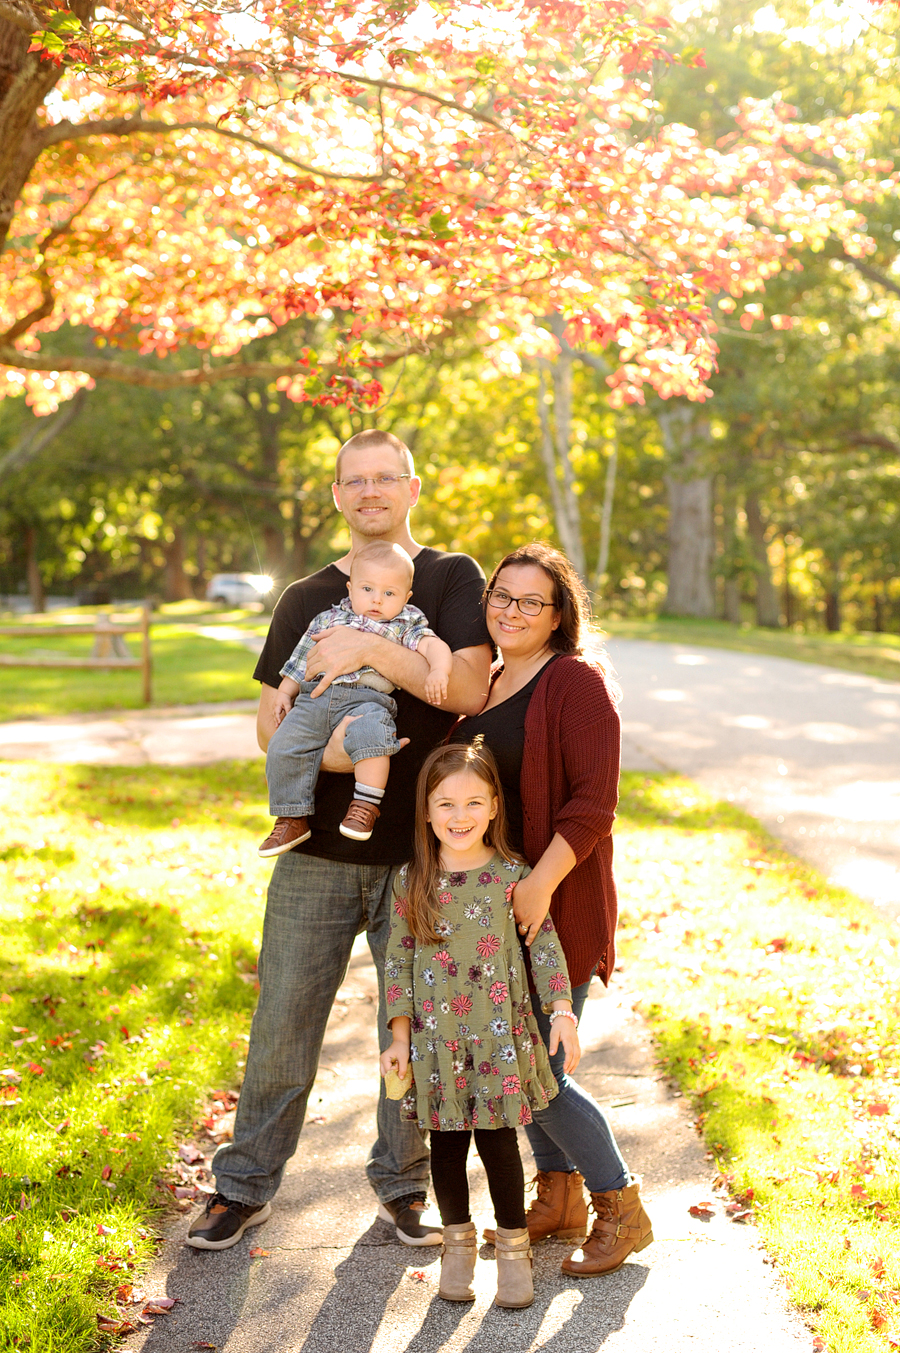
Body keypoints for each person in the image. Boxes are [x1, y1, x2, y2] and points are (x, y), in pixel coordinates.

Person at [186, 430, 492, 1251]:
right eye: (352, 481)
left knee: (417, 1021)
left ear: (411, 487)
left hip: (424, 853)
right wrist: (366, 750)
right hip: (316, 850)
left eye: (383, 478)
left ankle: (403, 1186)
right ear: (335, 495)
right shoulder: (305, 596)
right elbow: (270, 727)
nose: (368, 492)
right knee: (284, 1019)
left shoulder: (452, 578)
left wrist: (366, 649)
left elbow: (462, 685)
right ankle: (243, 1184)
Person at [448, 542, 654, 1277]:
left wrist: (537, 883)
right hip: (492, 912)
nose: (510, 609)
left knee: (534, 1068)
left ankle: (620, 1204)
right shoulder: (491, 679)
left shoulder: (575, 683)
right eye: (501, 595)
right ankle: (560, 1194)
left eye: (530, 601)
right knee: (521, 1058)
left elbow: (595, 803)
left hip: (555, 905)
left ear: (559, 613)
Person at [380, 742, 580, 1308]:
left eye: (473, 802)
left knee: (497, 1145)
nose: (459, 816)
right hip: (435, 1041)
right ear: (425, 810)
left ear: (494, 806)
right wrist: (398, 1037)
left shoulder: (513, 877)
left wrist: (562, 1012)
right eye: (445, 804)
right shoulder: (411, 880)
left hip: (497, 1039)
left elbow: (543, 946)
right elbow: (397, 959)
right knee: (444, 1150)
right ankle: (458, 1248)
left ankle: (514, 1255)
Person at [258, 540, 453, 854]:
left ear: (406, 597)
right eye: (367, 589)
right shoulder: (327, 619)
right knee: (283, 743)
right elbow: (302, 658)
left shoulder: (405, 622)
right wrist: (284, 692)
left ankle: (365, 806)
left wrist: (439, 671)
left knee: (373, 738)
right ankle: (290, 818)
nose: (377, 600)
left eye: (389, 593)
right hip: (314, 699)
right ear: (350, 589)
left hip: (368, 700)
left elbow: (433, 647)